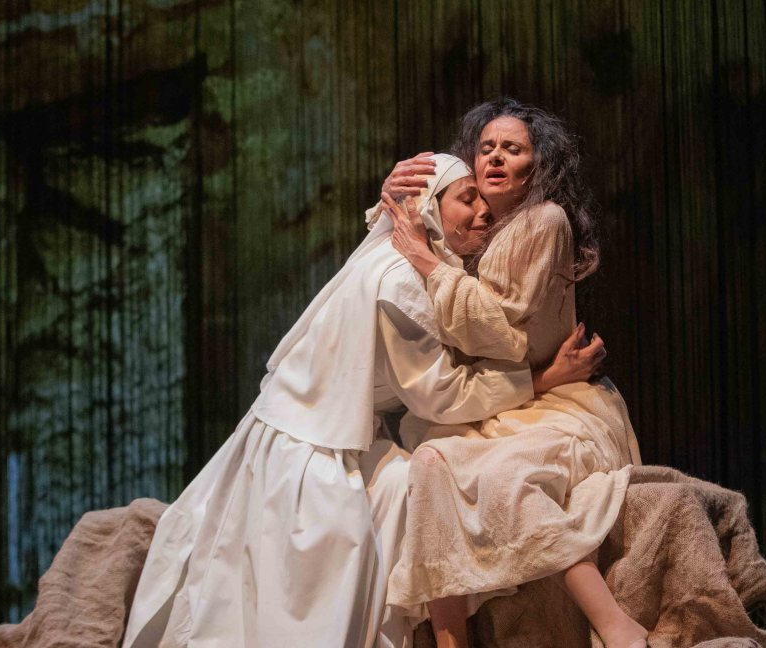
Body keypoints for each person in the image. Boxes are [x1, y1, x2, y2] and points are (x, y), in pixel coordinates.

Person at [120, 154, 605, 648]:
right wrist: (540, 379)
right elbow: (442, 394)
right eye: (467, 199)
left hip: (325, 433)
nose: (483, 210)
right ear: (428, 210)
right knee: (411, 500)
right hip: (312, 455)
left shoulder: (403, 260)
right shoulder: (400, 281)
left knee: (424, 480)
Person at [374, 98, 648, 648]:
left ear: (536, 165)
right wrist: (393, 192)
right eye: (486, 148)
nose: (496, 157)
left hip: (559, 404)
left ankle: (616, 624)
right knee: (429, 466)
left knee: (506, 477)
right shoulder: (472, 228)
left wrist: (428, 262)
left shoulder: (543, 222)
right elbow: (403, 222)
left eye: (513, 148)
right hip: (501, 404)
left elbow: (496, 329)